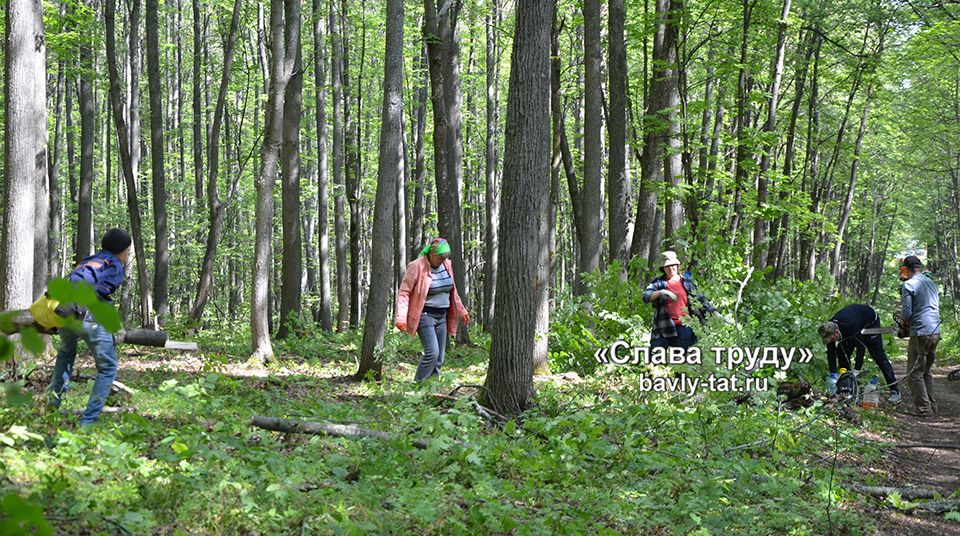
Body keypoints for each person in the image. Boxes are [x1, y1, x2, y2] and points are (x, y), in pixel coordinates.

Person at [48, 228, 131, 425]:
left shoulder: (89, 260)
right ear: (122, 251)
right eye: (128, 251)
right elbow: (99, 294)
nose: (128, 255)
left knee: (66, 355)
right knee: (108, 368)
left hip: (63, 312)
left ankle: (52, 408)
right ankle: (88, 421)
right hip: (87, 316)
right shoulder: (115, 265)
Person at [395, 238, 470, 381]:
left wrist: (462, 311)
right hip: (425, 315)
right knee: (432, 353)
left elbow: (452, 292)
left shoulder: (447, 265)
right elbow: (404, 292)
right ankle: (418, 386)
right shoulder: (417, 266)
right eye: (441, 257)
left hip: (442, 317)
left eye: (446, 257)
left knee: (440, 357)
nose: (443, 260)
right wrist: (401, 318)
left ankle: (432, 388)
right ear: (432, 254)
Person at [817, 304, 901, 403]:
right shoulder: (829, 328)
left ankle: (894, 390)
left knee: (878, 355)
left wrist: (857, 370)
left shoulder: (850, 325)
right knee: (841, 352)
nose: (831, 341)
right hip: (853, 325)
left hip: (869, 323)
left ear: (836, 333)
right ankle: (847, 388)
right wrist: (832, 375)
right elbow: (831, 352)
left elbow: (860, 348)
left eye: (832, 339)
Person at [642, 251, 718, 350]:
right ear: (663, 268)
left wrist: (716, 313)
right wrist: (662, 292)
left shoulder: (687, 283)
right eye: (667, 266)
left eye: (673, 265)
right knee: (655, 356)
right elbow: (646, 296)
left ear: (677, 266)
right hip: (663, 326)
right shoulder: (659, 283)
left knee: (680, 360)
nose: (671, 268)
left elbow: (702, 300)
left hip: (684, 326)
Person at [899, 255, 941, 417]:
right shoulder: (930, 282)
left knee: (913, 374)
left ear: (906, 269)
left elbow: (907, 312)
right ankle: (932, 406)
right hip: (935, 331)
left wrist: (903, 324)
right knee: (926, 372)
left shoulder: (909, 284)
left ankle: (924, 409)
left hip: (921, 332)